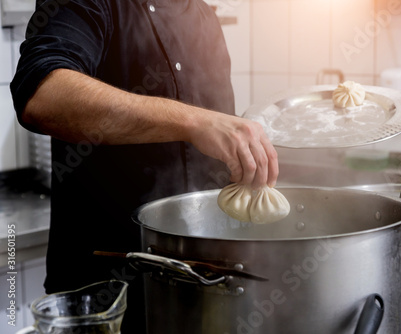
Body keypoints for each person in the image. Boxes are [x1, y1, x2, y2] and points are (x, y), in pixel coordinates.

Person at [10, 0, 278, 333]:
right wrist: (194, 121)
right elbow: (42, 93)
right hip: (106, 301)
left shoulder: (203, 15)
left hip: (200, 293)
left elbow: (210, 147)